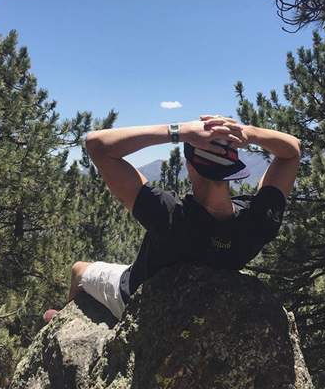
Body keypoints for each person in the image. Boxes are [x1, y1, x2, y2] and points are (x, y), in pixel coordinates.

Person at [45, 115, 300, 322]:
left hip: (133, 297)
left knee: (79, 269)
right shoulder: (258, 222)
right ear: (234, 171)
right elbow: (291, 152)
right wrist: (248, 133)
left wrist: (179, 131)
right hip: (196, 310)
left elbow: (97, 144)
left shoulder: (170, 216)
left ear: (189, 168)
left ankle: (62, 322)